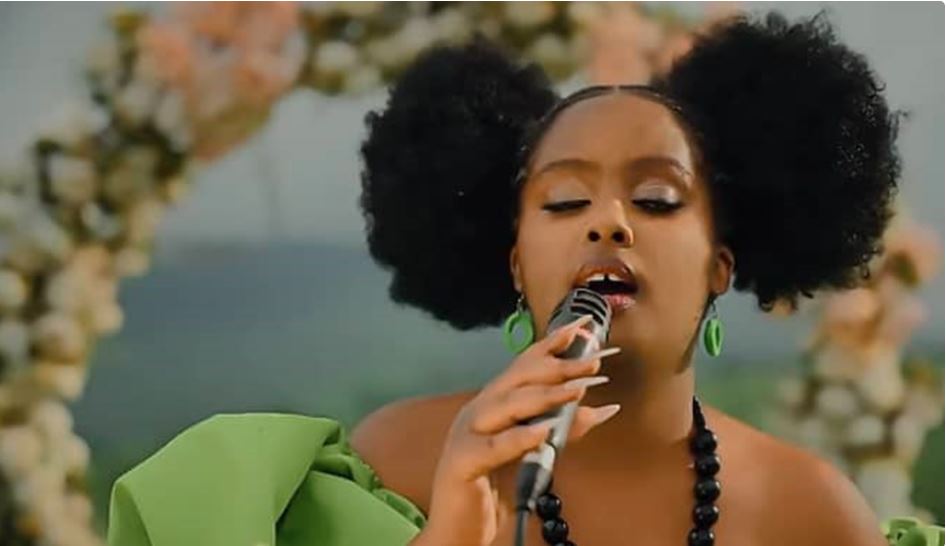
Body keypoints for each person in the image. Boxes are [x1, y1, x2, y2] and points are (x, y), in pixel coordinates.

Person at [106, 11, 943, 546]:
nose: (606, 222)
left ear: (721, 264)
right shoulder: (391, 464)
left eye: (656, 199)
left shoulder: (811, 512)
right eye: (566, 200)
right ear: (515, 262)